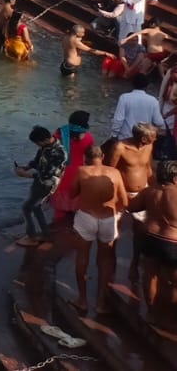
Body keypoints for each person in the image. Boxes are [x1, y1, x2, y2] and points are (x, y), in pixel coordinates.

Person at [69, 145, 128, 314]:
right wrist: (117, 214)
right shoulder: (115, 173)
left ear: (85, 158)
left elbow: (72, 194)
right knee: (105, 260)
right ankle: (101, 303)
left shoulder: (81, 171)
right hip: (108, 219)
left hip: (86, 217)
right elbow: (125, 201)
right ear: (102, 156)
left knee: (82, 258)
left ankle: (82, 300)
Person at [128, 160, 177, 324]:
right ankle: (171, 317)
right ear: (175, 178)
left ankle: (151, 313)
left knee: (150, 276)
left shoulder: (149, 192)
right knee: (173, 282)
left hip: (150, 237)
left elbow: (132, 207)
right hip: (172, 242)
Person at [15, 125, 68, 247]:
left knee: (26, 208)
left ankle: (32, 236)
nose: (37, 146)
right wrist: (26, 167)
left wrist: (25, 175)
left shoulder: (59, 153)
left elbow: (46, 175)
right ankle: (45, 232)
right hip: (40, 183)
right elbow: (37, 161)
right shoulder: (45, 147)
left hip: (46, 184)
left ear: (43, 140)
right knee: (36, 206)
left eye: (37, 143)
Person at [112, 73, 168, 141]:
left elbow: (118, 119)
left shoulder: (124, 98)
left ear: (132, 84)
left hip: (125, 138)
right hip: (144, 140)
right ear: (147, 86)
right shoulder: (153, 101)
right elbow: (159, 122)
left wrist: (114, 135)